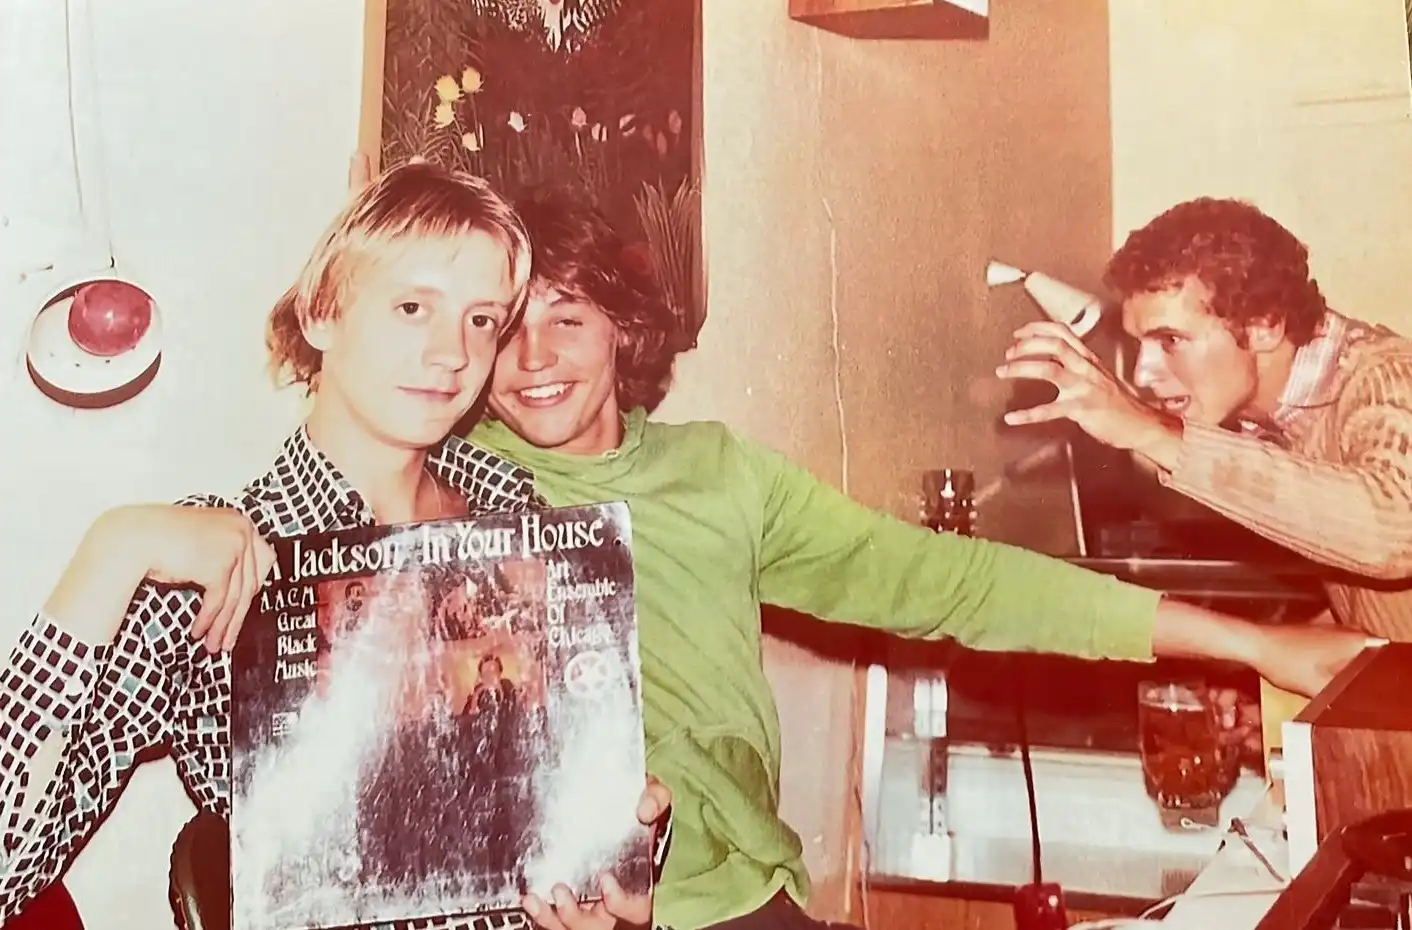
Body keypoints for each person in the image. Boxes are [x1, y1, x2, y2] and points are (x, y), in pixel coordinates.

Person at [460, 185, 1381, 930]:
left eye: (566, 319)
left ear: (621, 328)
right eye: (501, 328)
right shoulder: (456, 490)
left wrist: (1258, 646)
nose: (531, 359)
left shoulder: (716, 472)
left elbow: (953, 582)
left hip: (745, 892)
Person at [0, 162, 668, 930]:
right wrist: (114, 548)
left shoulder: (515, 514)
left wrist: (618, 854)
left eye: (483, 319)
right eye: (413, 307)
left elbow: (561, 807)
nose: (453, 352)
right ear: (322, 313)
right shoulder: (220, 561)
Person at [996, 196, 1412, 640]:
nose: (1143, 374)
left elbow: (1395, 534)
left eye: (1171, 340)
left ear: (1265, 326)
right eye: (1140, 345)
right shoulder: (1281, 416)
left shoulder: (1387, 378)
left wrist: (1149, 429)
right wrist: (1287, 651)